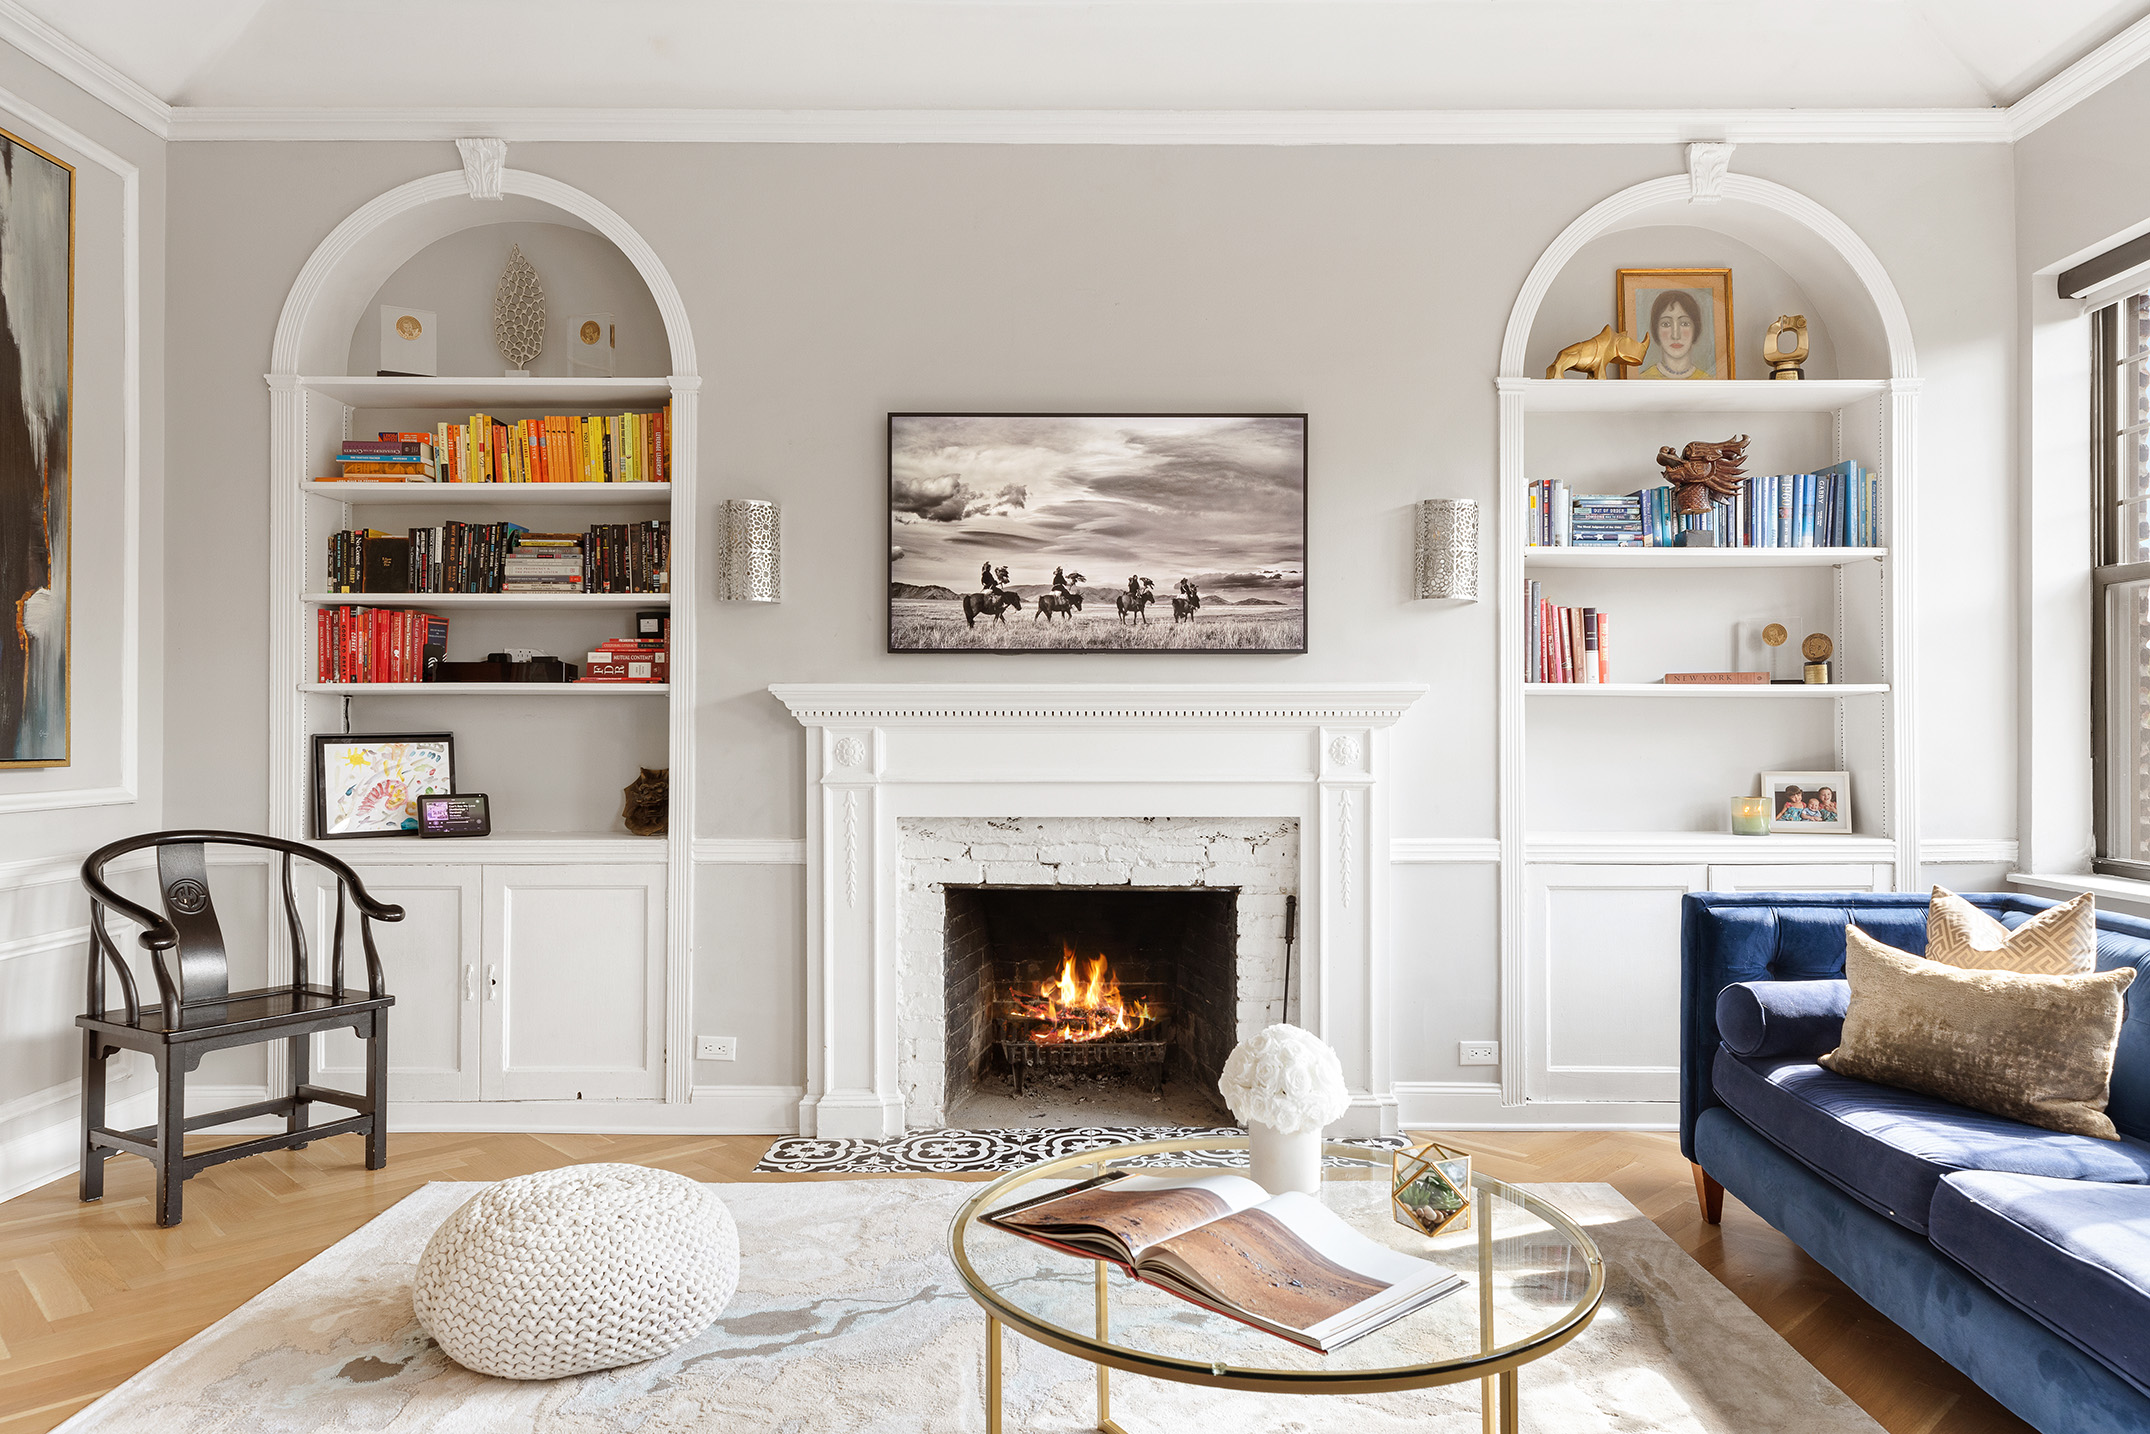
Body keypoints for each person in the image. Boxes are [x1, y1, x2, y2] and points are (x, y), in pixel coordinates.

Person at [1637, 290, 1708, 380]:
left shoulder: (1708, 380)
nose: (1675, 335)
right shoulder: (1642, 380)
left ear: (1696, 328)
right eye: (1666, 324)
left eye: (1684, 324)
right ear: (1656, 329)